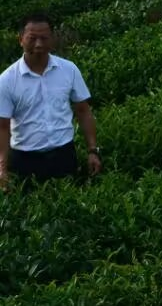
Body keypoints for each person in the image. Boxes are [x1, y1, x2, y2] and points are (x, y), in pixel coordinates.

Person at [0, 13, 101, 190]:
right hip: (25, 160)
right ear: (21, 39)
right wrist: (2, 167)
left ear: (52, 39)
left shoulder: (69, 70)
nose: (39, 44)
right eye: (32, 38)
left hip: (64, 156)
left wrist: (92, 150)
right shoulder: (6, 80)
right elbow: (2, 126)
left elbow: (83, 110)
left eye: (44, 38)